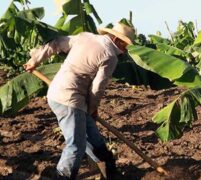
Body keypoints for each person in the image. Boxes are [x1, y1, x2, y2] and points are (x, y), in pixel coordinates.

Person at [23, 23, 135, 179]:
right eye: (125, 44)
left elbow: (55, 43)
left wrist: (35, 60)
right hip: (70, 100)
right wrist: (93, 108)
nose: (125, 49)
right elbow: (97, 88)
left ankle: (109, 171)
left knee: (92, 136)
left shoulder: (85, 37)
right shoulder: (110, 56)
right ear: (116, 39)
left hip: (60, 93)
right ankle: (62, 177)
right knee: (76, 145)